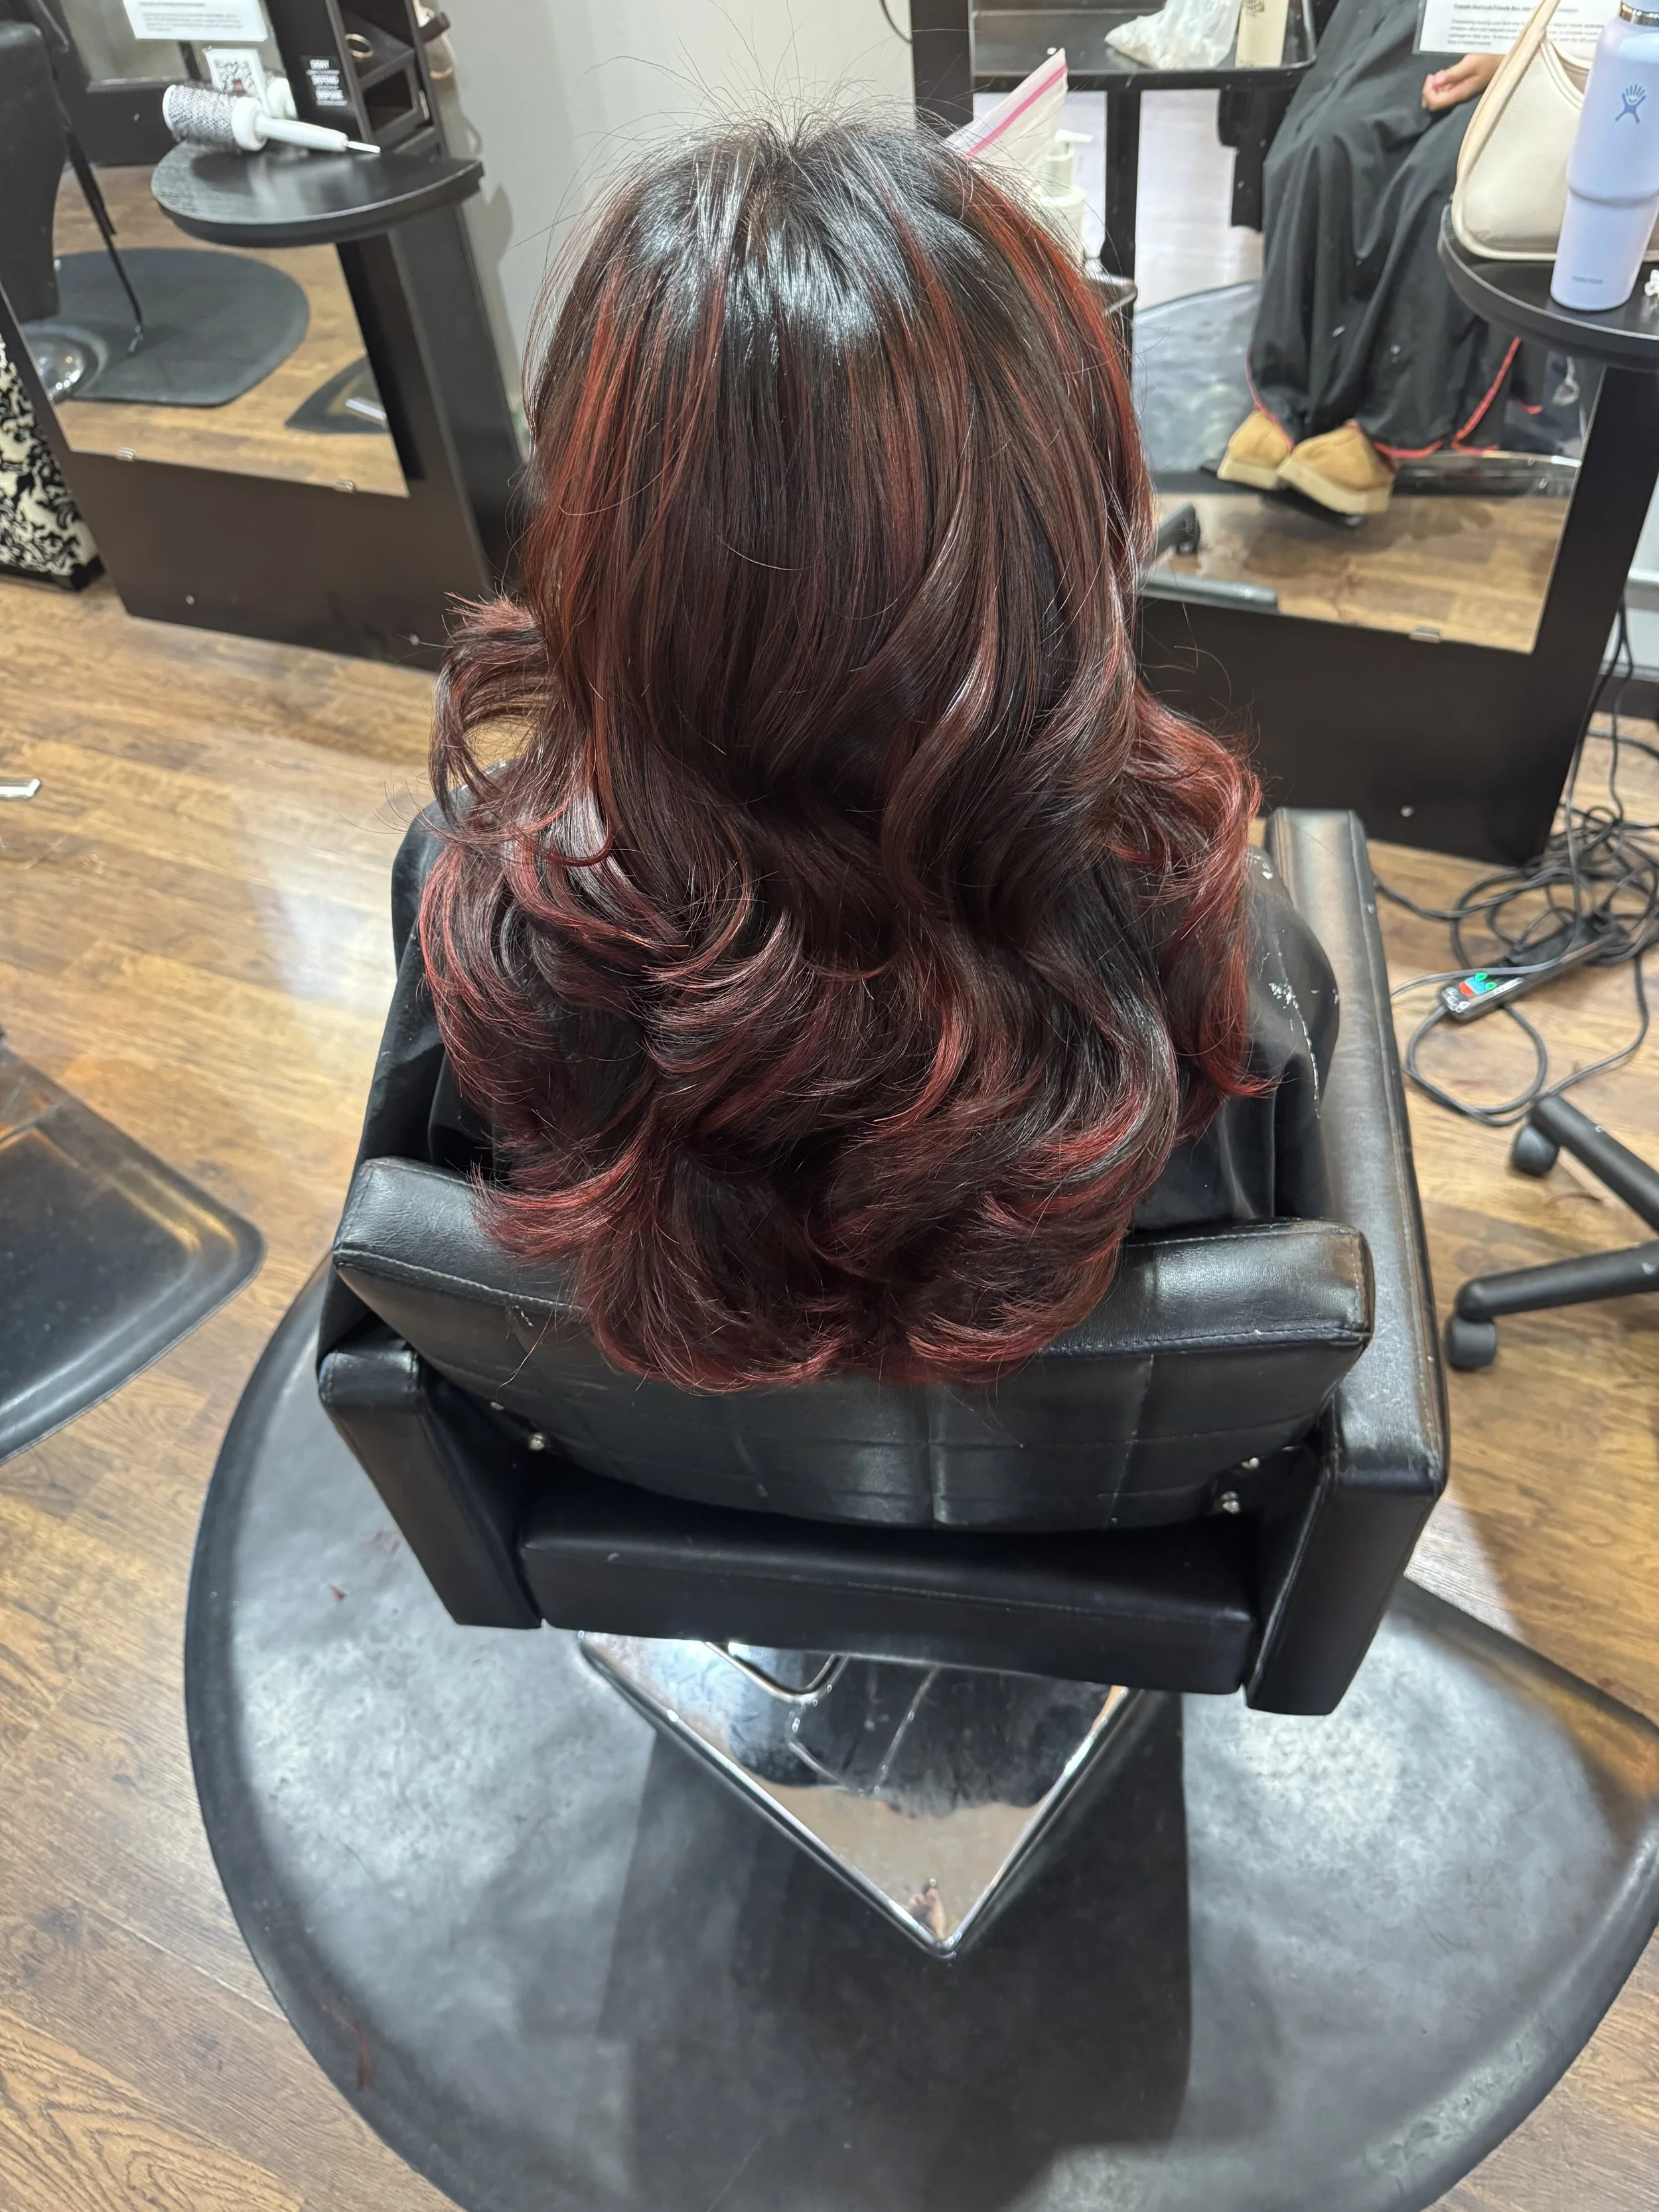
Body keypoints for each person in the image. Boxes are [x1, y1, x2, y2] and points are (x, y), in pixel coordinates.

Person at [320, 119, 1336, 1394]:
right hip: (1074, 1506)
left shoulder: (482, 909)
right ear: (1066, 522)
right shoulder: (1214, 950)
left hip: (660, 1484)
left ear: (604, 543)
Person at [1219, 0, 1508, 516]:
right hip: (1418, 15)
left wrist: (1517, 48)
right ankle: (1287, 397)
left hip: (1540, 35)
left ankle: (1387, 425)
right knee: (1323, 144)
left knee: (1436, 184)